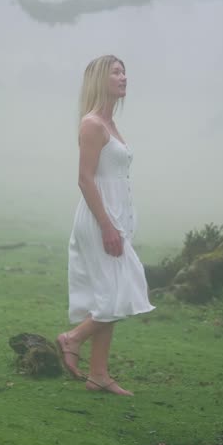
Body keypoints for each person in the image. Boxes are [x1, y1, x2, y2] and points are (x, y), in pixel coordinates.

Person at [56, 54, 155, 396]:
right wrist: (107, 226)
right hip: (100, 219)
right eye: (116, 72)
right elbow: (85, 179)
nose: (124, 77)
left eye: (124, 71)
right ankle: (72, 338)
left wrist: (119, 222)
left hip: (115, 218)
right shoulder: (93, 124)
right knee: (118, 292)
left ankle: (98, 374)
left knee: (110, 291)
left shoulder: (110, 124)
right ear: (101, 80)